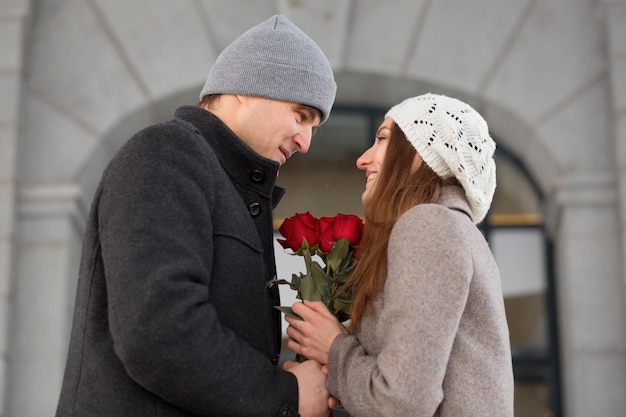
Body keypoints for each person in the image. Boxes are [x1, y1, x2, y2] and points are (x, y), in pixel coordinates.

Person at [55, 15, 336, 417]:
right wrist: (285, 396)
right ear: (246, 88)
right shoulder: (166, 153)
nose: (306, 142)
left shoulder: (231, 188)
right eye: (300, 115)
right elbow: (156, 330)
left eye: (314, 126)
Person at [285, 93, 515, 416]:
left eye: (382, 139)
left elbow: (401, 402)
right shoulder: (457, 231)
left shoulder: (429, 224)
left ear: (422, 154)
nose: (362, 159)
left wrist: (334, 348)